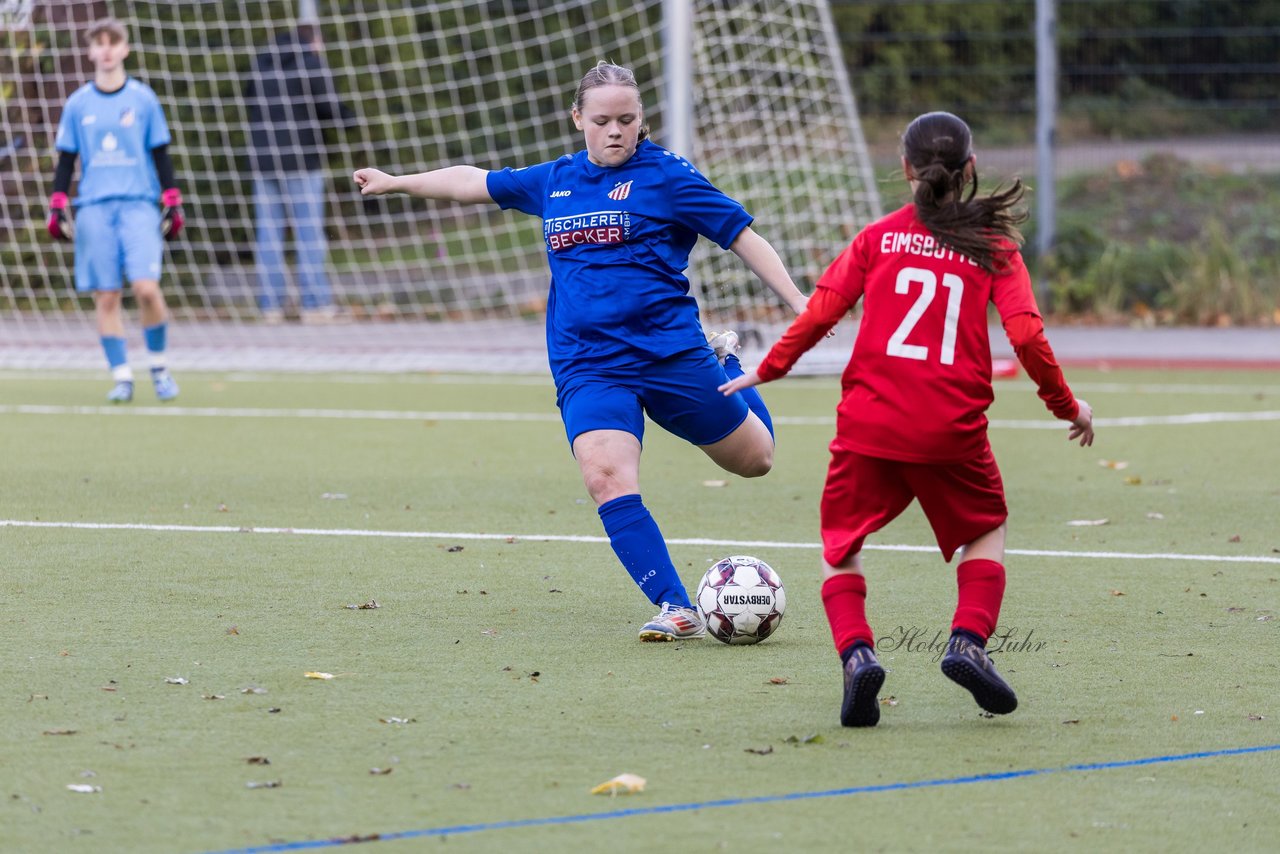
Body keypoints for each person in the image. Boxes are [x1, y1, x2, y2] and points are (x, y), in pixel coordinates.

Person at [354, 61, 810, 641]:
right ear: (578, 119)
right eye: (602, 120)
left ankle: (725, 360)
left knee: (755, 461)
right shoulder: (555, 180)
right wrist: (397, 181)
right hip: (588, 364)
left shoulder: (669, 176)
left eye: (627, 119)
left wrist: (799, 300)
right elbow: (474, 181)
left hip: (669, 354)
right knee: (605, 475)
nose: (615, 130)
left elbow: (742, 236)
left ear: (641, 119)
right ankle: (675, 606)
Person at [720, 111, 1095, 726]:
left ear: (904, 169)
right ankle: (968, 642)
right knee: (986, 529)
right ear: (970, 169)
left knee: (841, 548)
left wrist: (771, 368)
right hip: (952, 427)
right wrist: (1067, 406)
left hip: (869, 422)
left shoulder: (878, 237)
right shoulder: (993, 244)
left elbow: (819, 314)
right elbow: (1026, 336)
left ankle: (857, 655)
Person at [48, 17, 184, 403]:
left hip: (139, 204)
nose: (106, 49)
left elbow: (160, 153)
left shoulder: (143, 99)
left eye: (114, 42)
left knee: (145, 288)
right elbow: (66, 160)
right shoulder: (78, 104)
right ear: (90, 51)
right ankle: (122, 376)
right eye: (99, 43)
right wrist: (58, 204)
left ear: (125, 49)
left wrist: (171, 198)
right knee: (106, 296)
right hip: (93, 208)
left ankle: (158, 367)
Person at [244, 24, 356, 324]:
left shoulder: (260, 63)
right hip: (301, 160)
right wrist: (350, 118)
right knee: (309, 233)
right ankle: (315, 304)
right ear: (314, 41)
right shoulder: (309, 62)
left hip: (263, 162)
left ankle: (271, 306)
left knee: (268, 234)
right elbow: (328, 105)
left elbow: (250, 104)